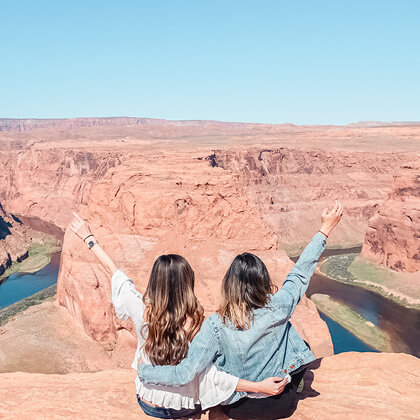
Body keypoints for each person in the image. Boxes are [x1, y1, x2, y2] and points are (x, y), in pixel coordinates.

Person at [70, 212, 288, 419]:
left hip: (147, 402)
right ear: (187, 284)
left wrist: (89, 237)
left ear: (154, 282)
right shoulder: (198, 322)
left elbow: (114, 271)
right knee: (211, 366)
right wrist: (260, 387)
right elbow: (211, 377)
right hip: (183, 408)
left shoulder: (140, 309)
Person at [137, 201, 344, 419]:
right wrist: (325, 229)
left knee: (214, 362)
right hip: (280, 404)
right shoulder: (279, 305)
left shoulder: (216, 325)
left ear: (228, 285)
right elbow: (300, 273)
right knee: (297, 340)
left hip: (238, 408)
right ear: (263, 281)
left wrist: (144, 371)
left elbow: (185, 373)